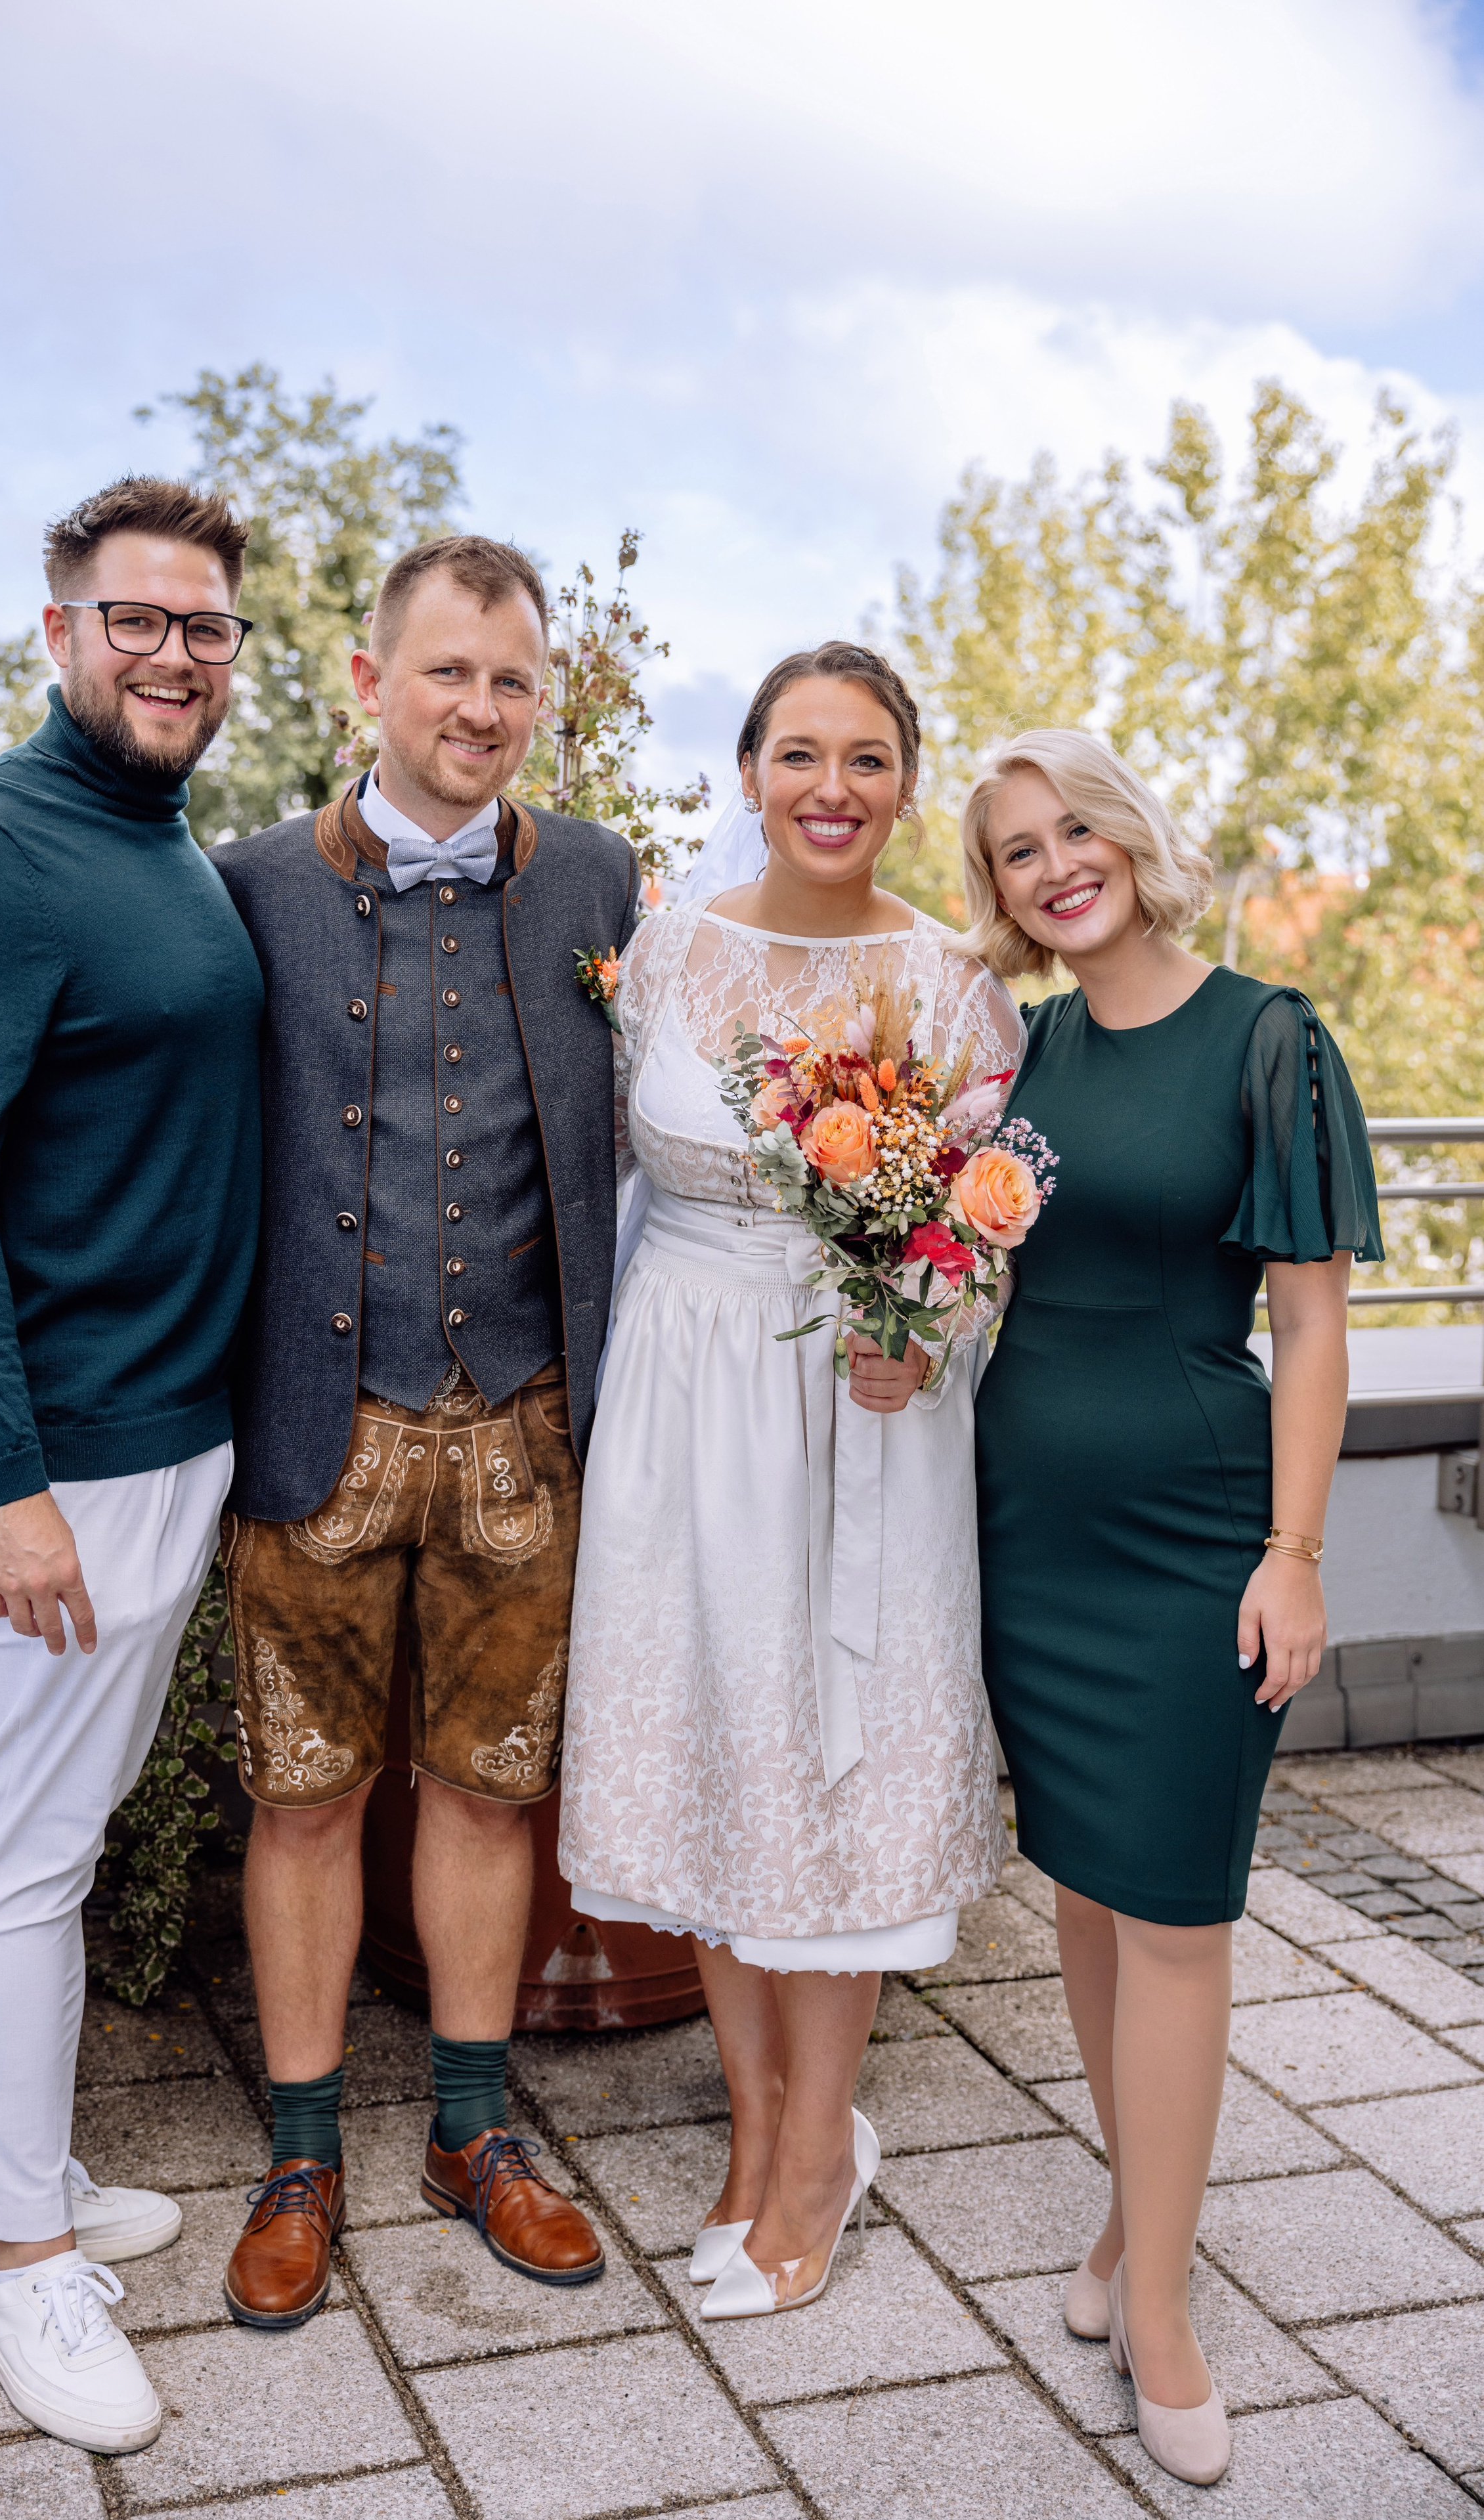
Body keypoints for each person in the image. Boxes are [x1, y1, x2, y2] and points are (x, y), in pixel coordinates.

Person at [0, 477, 265, 2452]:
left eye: (206, 628)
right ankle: (31, 2270)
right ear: (58, 631)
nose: (174, 655)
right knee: (34, 1847)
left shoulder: (161, 842)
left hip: (165, 1428)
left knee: (50, 1814)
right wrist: (6, 1477)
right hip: (65, 1451)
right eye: (138, 620)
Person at [558, 643, 1020, 2320]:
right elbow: (610, 1177)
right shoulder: (667, 949)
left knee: (826, 1781)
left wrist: (929, 1325)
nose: (833, 786)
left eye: (869, 757)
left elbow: (987, 1222)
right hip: (681, 1405)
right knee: (719, 1761)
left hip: (863, 1412)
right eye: (800, 752)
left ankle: (821, 2144)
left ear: (906, 781)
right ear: (747, 769)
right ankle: (752, 2133)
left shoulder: (961, 984)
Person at [209, 534, 636, 2326]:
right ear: (367, 683)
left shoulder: (605, 879)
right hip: (315, 1424)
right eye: (449, 672)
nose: (482, 708)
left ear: (545, 701)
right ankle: (300, 2149)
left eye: (514, 680)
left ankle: (472, 2126)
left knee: (487, 1787)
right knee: (302, 1805)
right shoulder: (244, 887)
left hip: (523, 1430)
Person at [967, 730, 1380, 2487]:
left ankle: (1163, 2304)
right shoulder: (1024, 1050)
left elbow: (1309, 1327)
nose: (1054, 865)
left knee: (1181, 1914)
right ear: (999, 898)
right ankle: (1139, 2219)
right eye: (1011, 853)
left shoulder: (1269, 1035)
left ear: (1131, 836)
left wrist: (1294, 1552)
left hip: (1196, 1533)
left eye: (1073, 830)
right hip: (1024, 1526)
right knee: (1084, 1881)